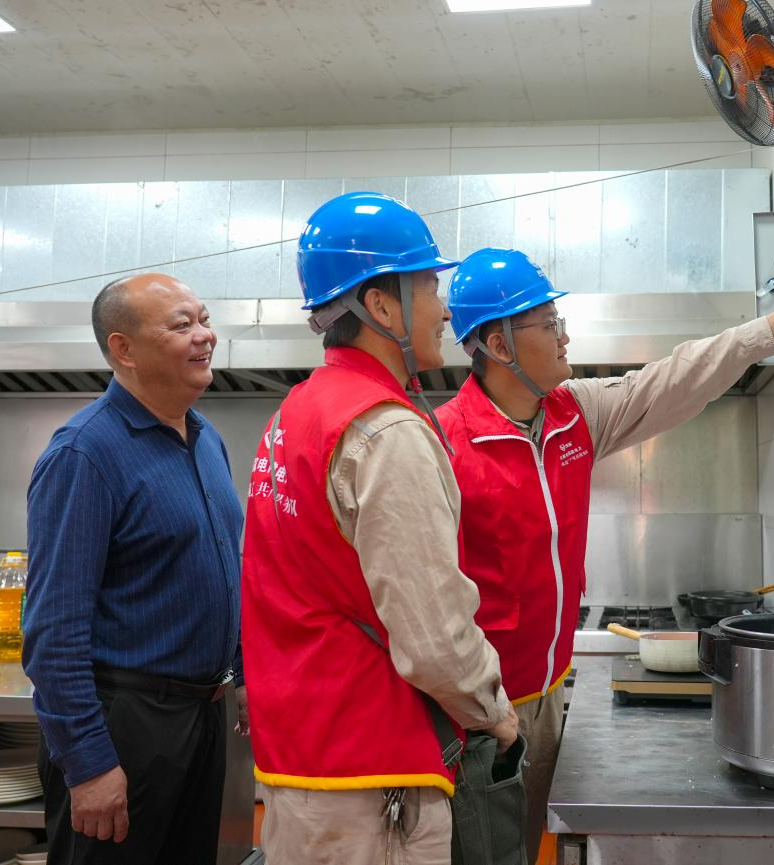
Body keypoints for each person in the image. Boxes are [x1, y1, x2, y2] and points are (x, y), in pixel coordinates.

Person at [437, 247, 774, 861]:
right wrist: (482, 709)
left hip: (546, 695)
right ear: (499, 346)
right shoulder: (444, 444)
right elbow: (427, 603)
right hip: (480, 716)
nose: (565, 336)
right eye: (549, 324)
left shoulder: (573, 414)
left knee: (530, 850)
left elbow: (676, 379)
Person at [240, 192, 519, 865]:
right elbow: (434, 637)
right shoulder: (385, 430)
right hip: (371, 782)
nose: (445, 310)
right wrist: (495, 712)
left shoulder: (298, 411)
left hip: (304, 766)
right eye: (429, 287)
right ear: (381, 306)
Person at [23, 273, 246, 865]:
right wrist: (88, 762)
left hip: (201, 715)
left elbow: (226, 569)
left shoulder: (205, 439)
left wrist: (244, 675)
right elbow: (53, 629)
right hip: (124, 722)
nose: (205, 335)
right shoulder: (84, 453)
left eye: (204, 319)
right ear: (124, 349)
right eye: (182, 325)